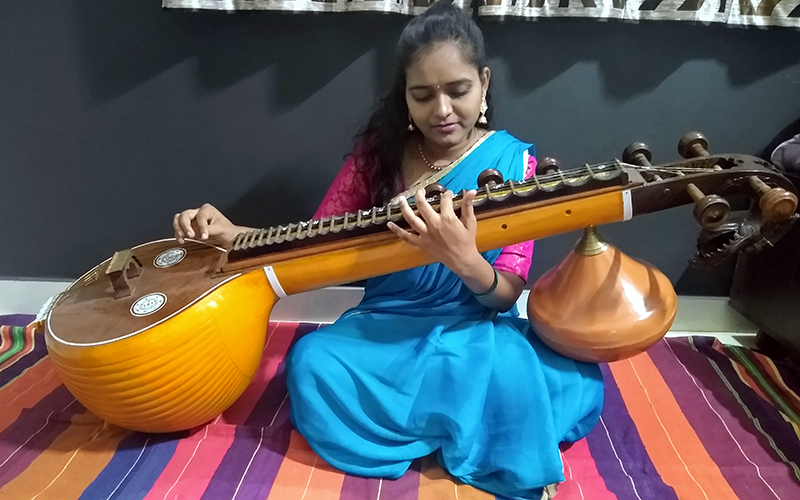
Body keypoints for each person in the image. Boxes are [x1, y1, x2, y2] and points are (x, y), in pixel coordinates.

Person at [173, 2, 603, 499]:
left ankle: (442, 422)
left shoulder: (513, 161)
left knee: (530, 366)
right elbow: (314, 241)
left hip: (470, 330)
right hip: (382, 325)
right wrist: (232, 234)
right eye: (423, 95)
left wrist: (462, 260)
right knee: (312, 361)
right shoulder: (376, 158)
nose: (441, 110)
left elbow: (506, 295)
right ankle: (459, 422)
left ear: (484, 84)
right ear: (405, 96)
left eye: (458, 90)